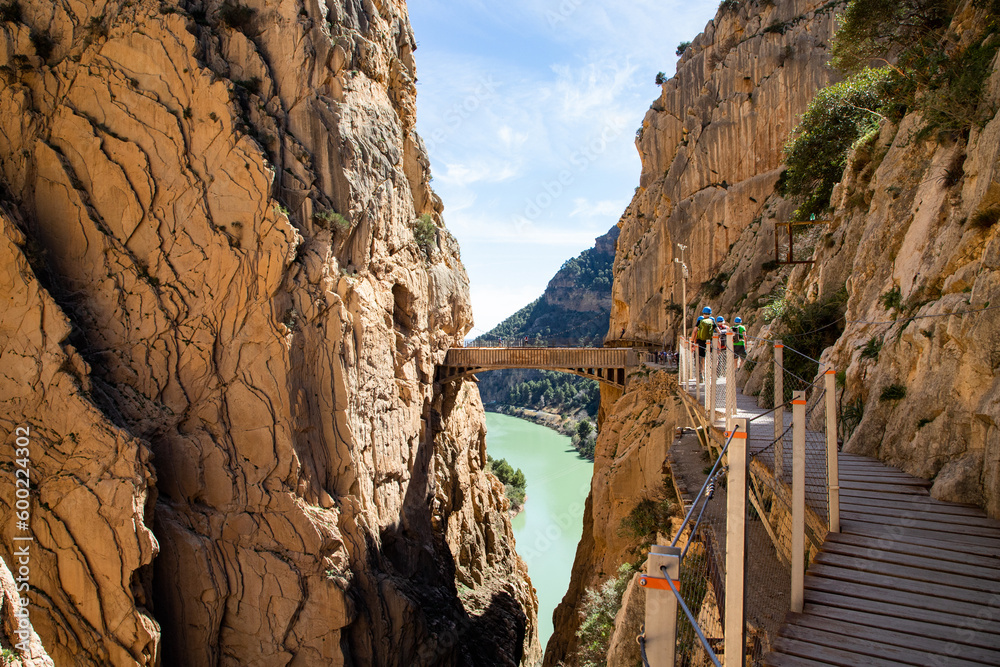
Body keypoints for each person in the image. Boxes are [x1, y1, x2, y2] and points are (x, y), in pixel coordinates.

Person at [691, 306, 716, 378]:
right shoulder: (712, 320)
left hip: (700, 341)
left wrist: (692, 341)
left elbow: (694, 331)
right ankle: (711, 373)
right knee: (710, 357)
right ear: (710, 313)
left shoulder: (700, 320)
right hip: (709, 341)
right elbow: (718, 331)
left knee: (701, 357)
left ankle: (701, 373)